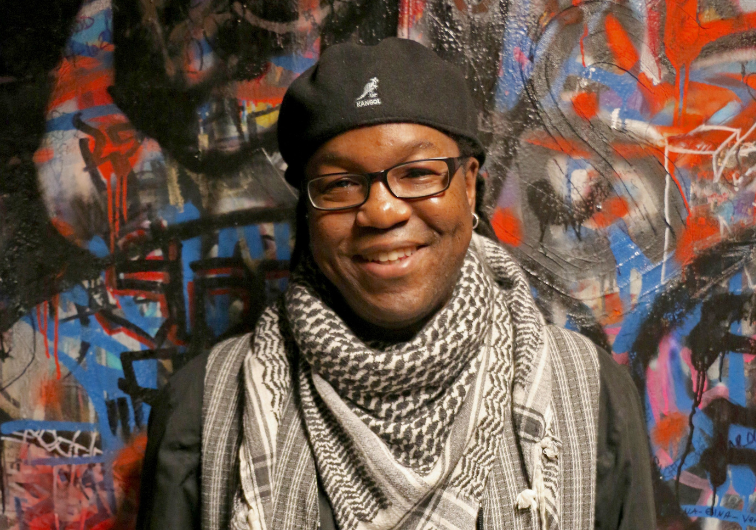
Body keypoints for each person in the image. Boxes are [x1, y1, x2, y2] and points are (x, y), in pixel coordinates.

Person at [136, 38, 656, 530]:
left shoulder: (593, 397)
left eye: (418, 174)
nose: (382, 211)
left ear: (470, 184)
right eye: (340, 183)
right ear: (309, 214)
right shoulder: (203, 410)